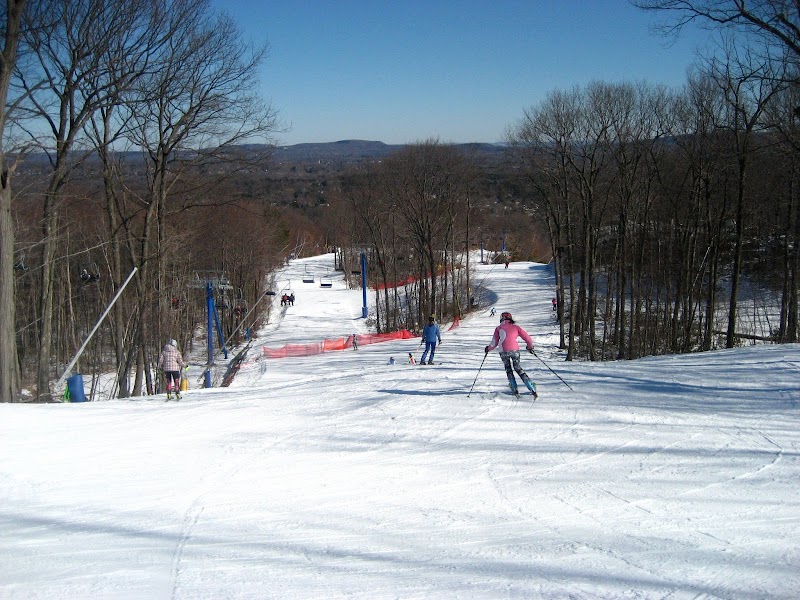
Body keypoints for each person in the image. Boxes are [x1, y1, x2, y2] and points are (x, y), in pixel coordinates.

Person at [484, 311, 537, 398]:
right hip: (515, 351)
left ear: (501, 318)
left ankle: (514, 388)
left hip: (503, 351)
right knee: (518, 368)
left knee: (508, 369)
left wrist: (488, 349)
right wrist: (530, 347)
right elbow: (527, 338)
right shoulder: (516, 327)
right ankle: (530, 386)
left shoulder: (498, 328)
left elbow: (494, 343)